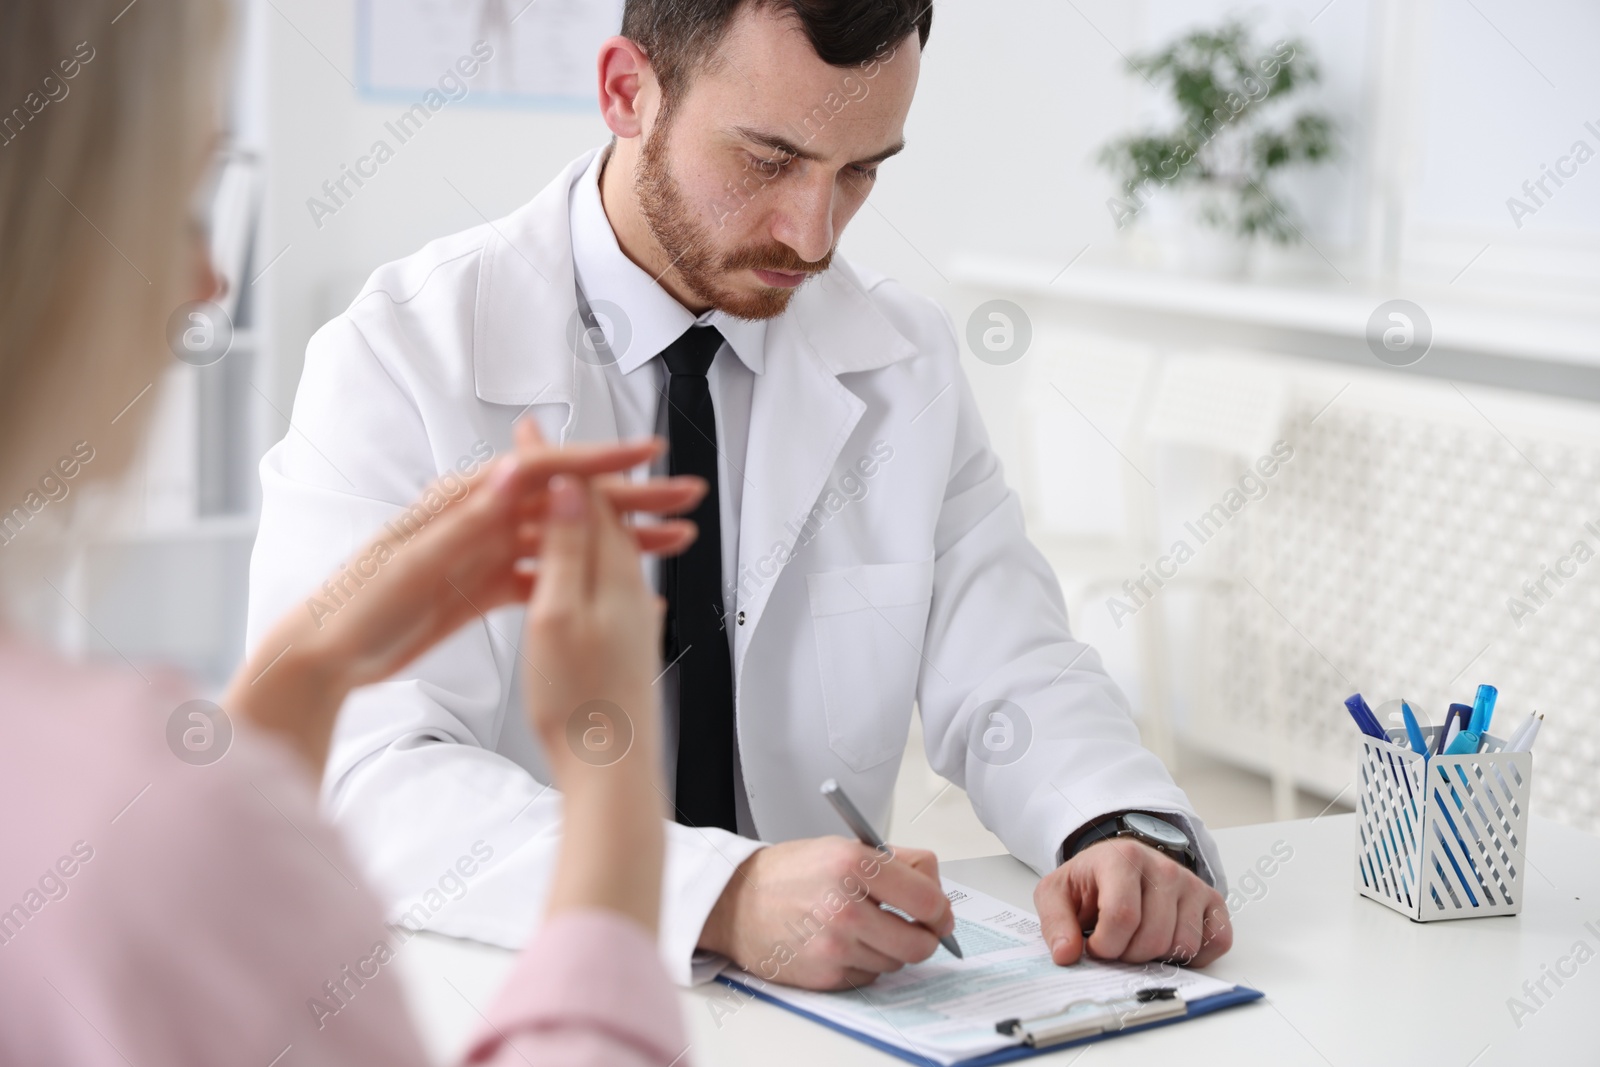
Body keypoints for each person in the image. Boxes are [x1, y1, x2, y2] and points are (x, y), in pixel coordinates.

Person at [247, 0, 1236, 993]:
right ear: (626, 91)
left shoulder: (903, 360)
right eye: (768, 160)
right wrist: (715, 894)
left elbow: (1015, 667)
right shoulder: (399, 359)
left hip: (825, 1016)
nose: (812, 233)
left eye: (858, 171)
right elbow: (360, 772)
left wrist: (1112, 822)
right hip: (514, 997)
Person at [0, 2, 701, 1063]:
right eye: (185, 208)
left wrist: (312, 668)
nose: (209, 281)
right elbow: (177, 873)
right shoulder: (124, 828)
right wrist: (610, 773)